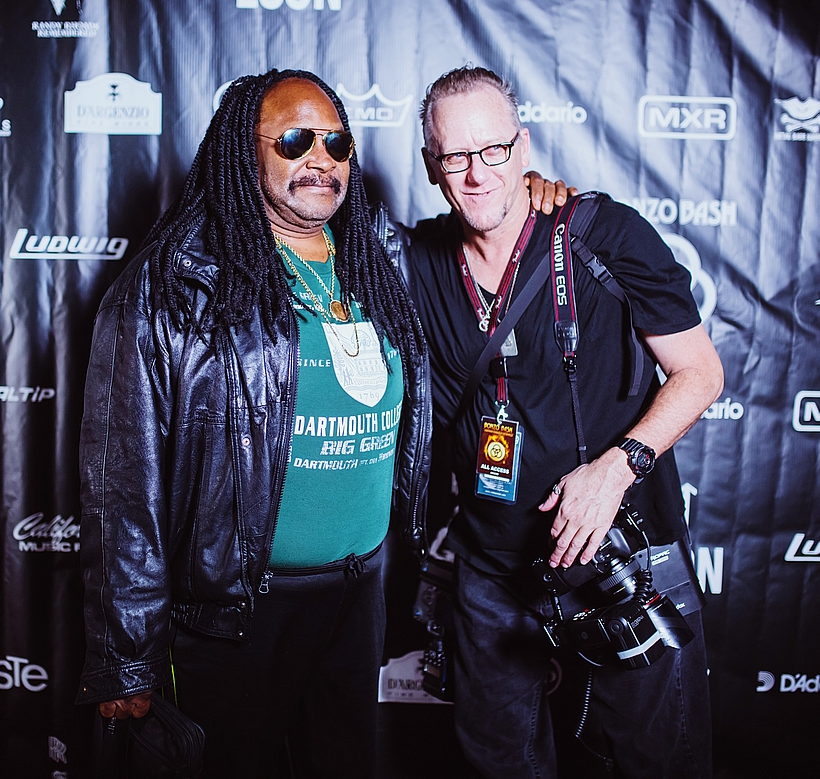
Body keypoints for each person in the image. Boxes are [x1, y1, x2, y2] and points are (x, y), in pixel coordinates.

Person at [74, 67, 566, 777]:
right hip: (236, 611)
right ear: (242, 150)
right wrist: (125, 656)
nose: (320, 159)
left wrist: (531, 191)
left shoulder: (379, 258)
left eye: (336, 144)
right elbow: (123, 485)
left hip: (359, 598)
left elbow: (487, 224)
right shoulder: (174, 284)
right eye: (294, 141)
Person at [400, 66, 724, 778]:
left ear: (523, 148)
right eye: (456, 156)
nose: (478, 174)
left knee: (659, 764)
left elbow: (701, 373)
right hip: (491, 572)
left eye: (494, 150)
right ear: (430, 165)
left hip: (620, 562)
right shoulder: (415, 261)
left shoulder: (602, 235)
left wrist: (616, 469)